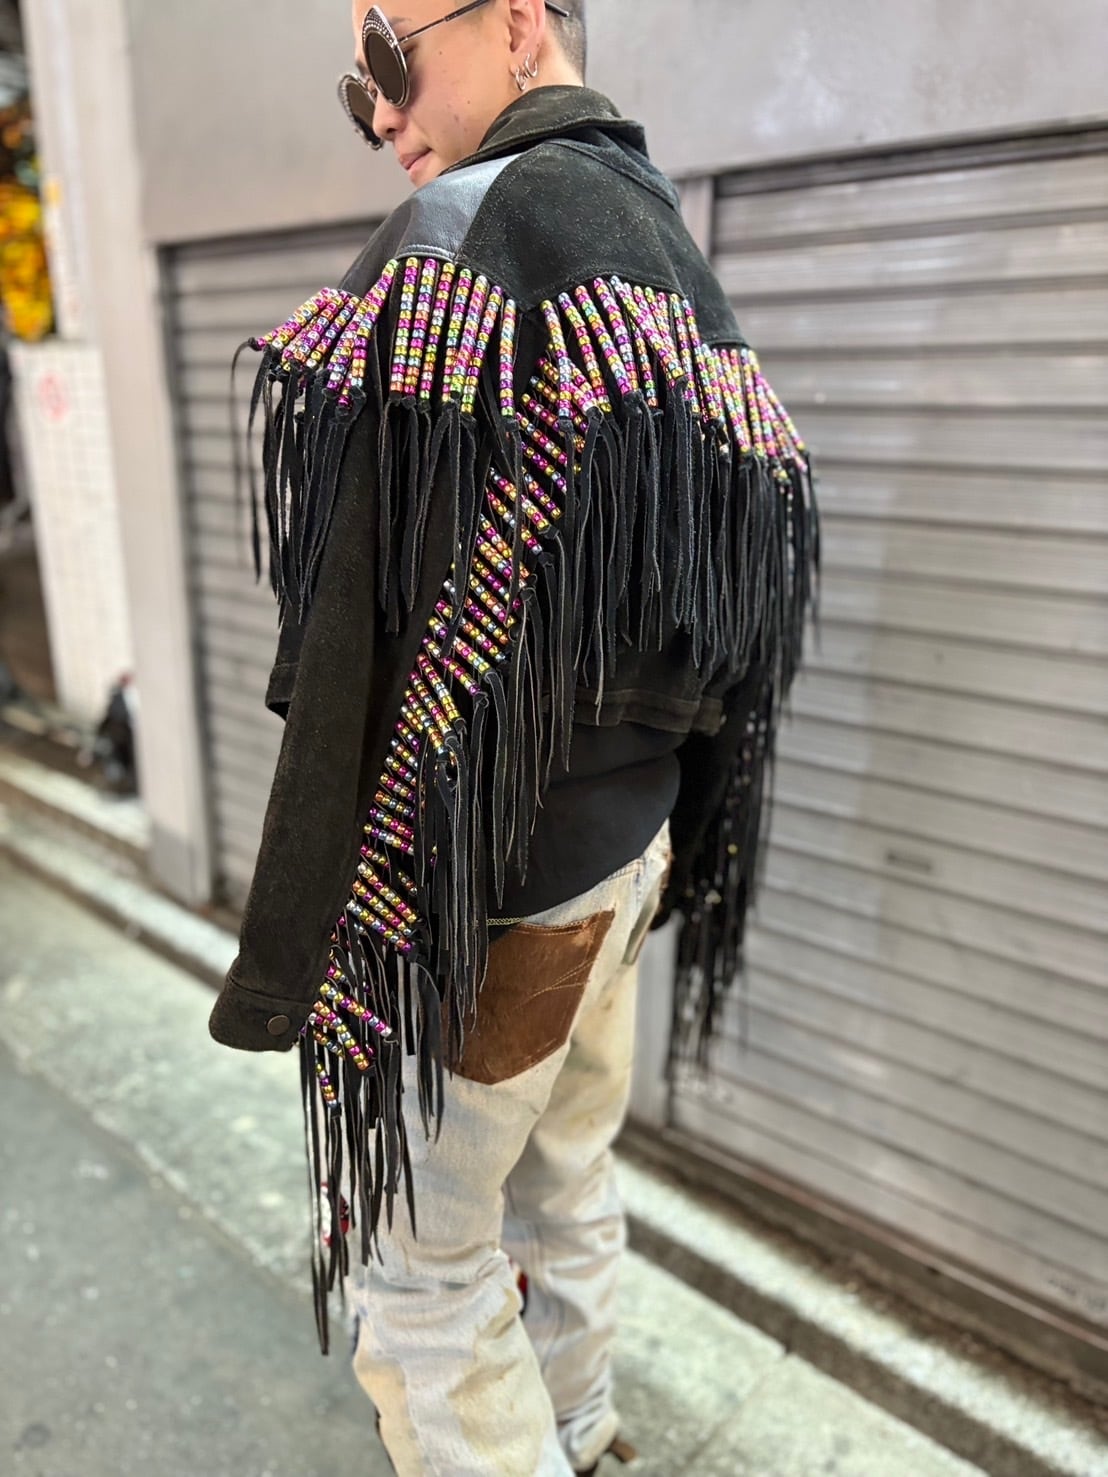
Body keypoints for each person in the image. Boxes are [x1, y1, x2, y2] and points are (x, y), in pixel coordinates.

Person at [208, 2, 818, 1473]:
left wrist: (321, 927)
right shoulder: (667, 256)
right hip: (625, 859)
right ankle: (585, 1429)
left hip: (499, 893)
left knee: (420, 1274)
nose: (378, 110)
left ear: (524, 24)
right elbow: (739, 606)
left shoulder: (469, 234)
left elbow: (361, 642)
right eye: (355, 82)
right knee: (563, 1176)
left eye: (391, 53)